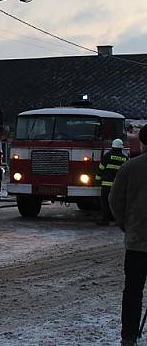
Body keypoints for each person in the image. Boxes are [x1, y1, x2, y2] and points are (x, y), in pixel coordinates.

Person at [109, 126, 147, 345]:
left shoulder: (129, 167)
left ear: (142, 143)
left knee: (133, 291)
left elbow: (114, 200)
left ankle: (129, 336)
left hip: (136, 243)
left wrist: (125, 225)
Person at [97, 138, 129, 225]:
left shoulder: (107, 156)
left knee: (105, 202)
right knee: (115, 202)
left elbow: (101, 168)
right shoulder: (124, 158)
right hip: (118, 186)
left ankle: (105, 220)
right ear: (121, 147)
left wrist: (97, 179)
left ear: (112, 146)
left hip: (106, 185)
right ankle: (115, 219)